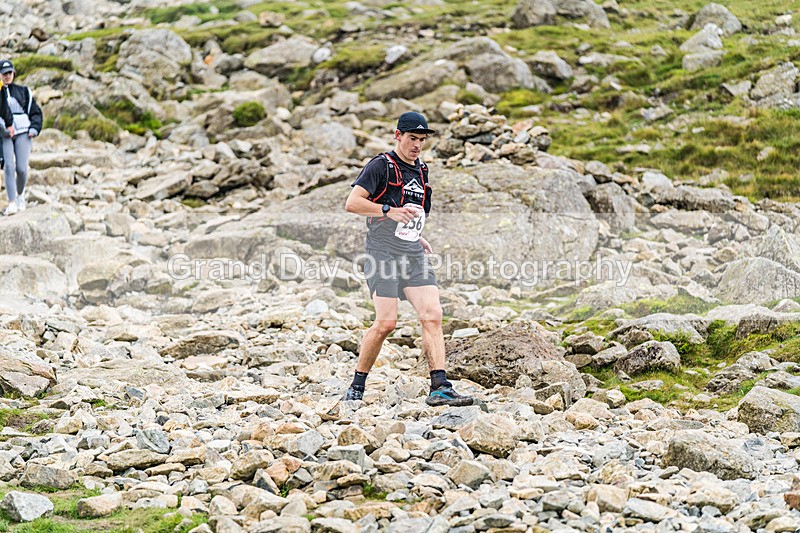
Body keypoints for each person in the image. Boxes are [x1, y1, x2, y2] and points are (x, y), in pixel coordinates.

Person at [343, 111, 474, 407]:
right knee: (386, 323)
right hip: (382, 253)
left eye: (422, 139)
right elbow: (352, 203)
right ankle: (357, 383)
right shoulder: (381, 166)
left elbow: (415, 211)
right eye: (412, 138)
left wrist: (416, 232)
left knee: (433, 315)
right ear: (398, 135)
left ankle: (439, 386)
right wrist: (389, 212)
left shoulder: (422, 170)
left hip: (412, 252)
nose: (417, 145)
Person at [0, 60, 42, 216]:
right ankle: (11, 202)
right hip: (4, 132)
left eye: (9, 73)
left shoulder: (24, 91)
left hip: (24, 132)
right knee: (9, 166)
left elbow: (36, 112)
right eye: (4, 73)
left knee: (22, 169)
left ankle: (20, 195)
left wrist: (34, 128)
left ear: (14, 73)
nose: (7, 76)